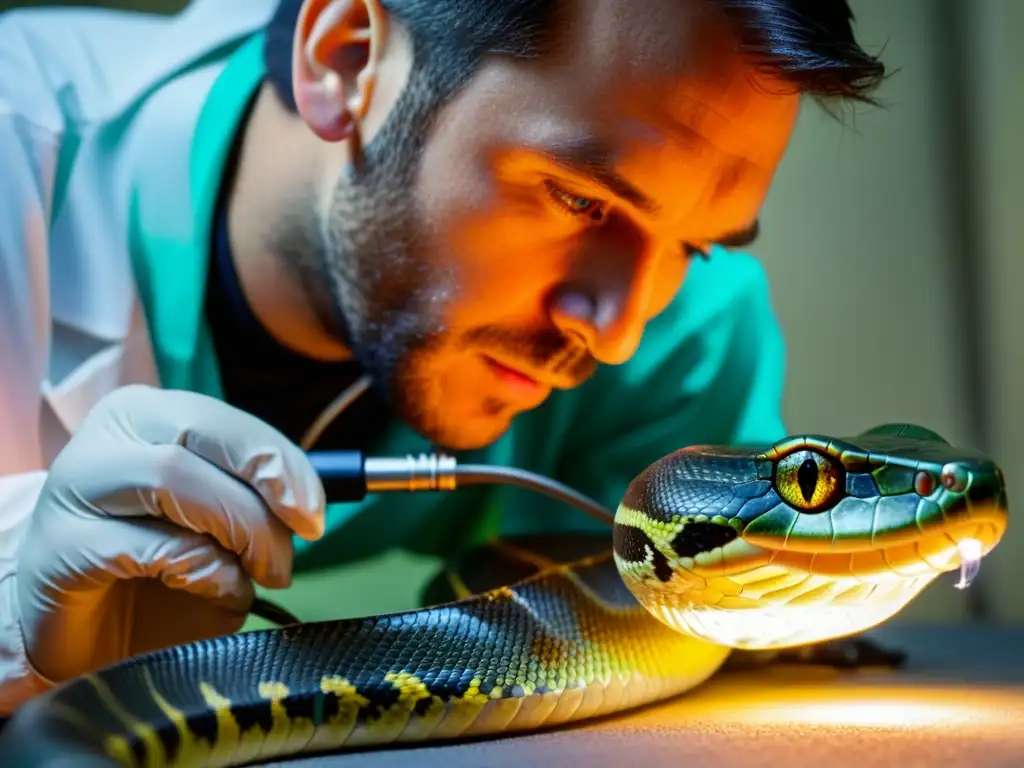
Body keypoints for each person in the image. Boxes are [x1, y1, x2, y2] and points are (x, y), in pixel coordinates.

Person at [0, 0, 885, 714]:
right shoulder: (17, 157)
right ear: (345, 62)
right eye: (579, 201)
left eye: (693, 245)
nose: (615, 333)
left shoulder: (682, 335)